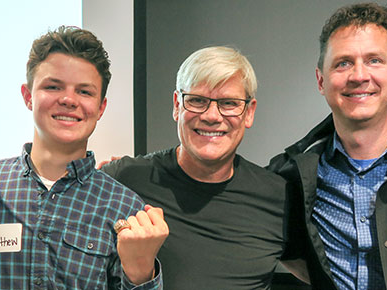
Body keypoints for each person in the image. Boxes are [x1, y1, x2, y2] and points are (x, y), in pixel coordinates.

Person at [0, 26, 168, 289]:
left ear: (101, 107)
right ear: (27, 96)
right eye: (53, 86)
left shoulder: (124, 207)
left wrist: (142, 274)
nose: (69, 99)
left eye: (85, 91)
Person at [268, 3, 387, 289]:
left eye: (374, 60)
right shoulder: (291, 178)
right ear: (321, 80)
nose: (359, 75)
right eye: (343, 63)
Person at [102, 46, 288, 289]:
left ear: (249, 112)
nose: (212, 116)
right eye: (197, 100)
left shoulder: (279, 196)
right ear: (177, 105)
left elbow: (316, 270)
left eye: (229, 103)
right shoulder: (122, 180)